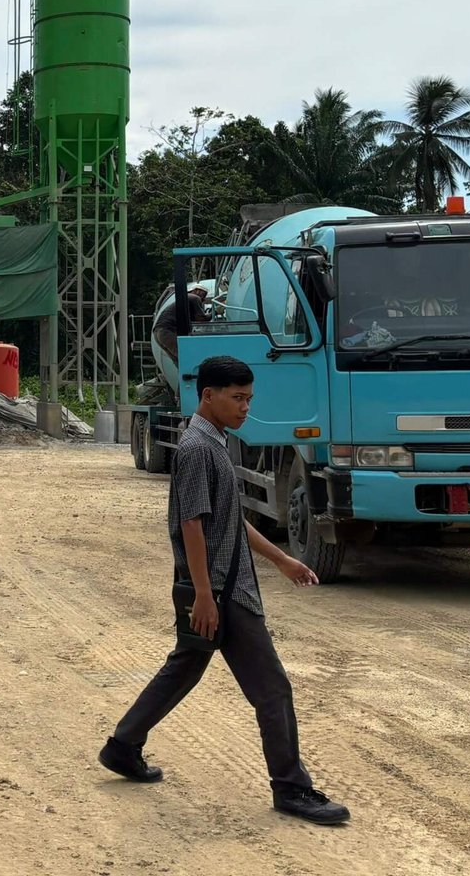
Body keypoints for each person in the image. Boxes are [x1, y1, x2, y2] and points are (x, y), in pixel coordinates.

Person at [98, 354, 351, 826]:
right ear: (207, 395)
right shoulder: (197, 447)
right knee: (273, 689)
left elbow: (228, 518)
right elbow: (191, 523)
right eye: (237, 398)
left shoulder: (216, 442)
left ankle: (122, 746)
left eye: (249, 398)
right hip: (223, 593)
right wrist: (205, 595)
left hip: (221, 587)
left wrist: (281, 560)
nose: (244, 407)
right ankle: (292, 788)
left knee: (184, 669)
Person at [152, 286, 210, 365]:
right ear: (197, 291)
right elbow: (201, 319)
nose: (204, 297)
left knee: (179, 362)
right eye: (204, 294)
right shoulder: (195, 298)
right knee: (187, 357)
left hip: (158, 333)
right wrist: (215, 312)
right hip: (168, 332)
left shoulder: (184, 299)